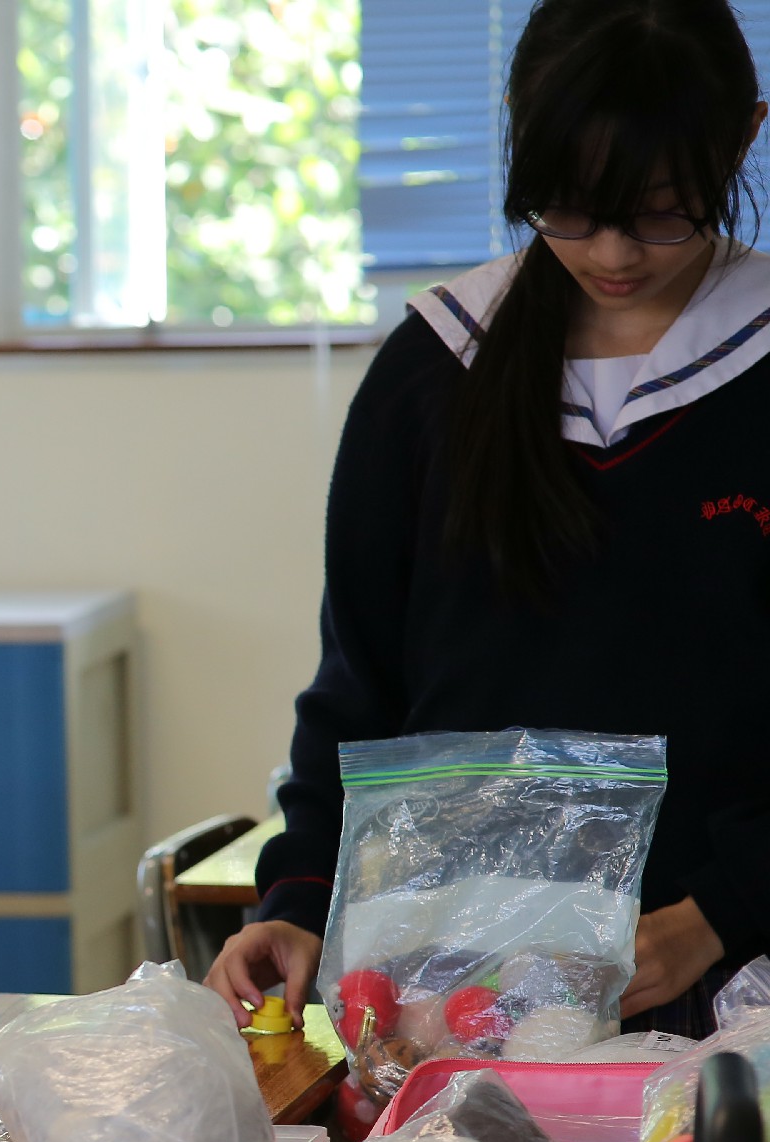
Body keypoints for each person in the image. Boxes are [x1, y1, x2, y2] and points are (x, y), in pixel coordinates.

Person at [207, 0, 770, 1041]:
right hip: (457, 994)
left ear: (744, 138)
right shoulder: (434, 368)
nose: (612, 253)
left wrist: (715, 915)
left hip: (735, 986)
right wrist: (298, 899)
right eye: (568, 207)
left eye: (660, 211)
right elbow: (360, 683)